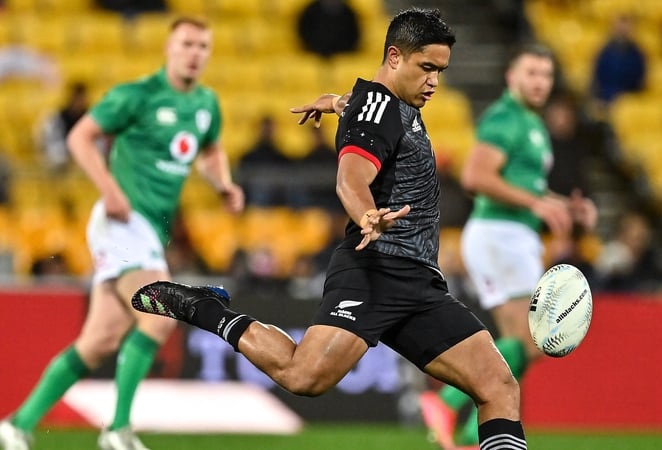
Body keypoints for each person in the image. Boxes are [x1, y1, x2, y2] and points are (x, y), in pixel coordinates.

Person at [130, 8, 530, 450]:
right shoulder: (379, 108)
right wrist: (366, 214)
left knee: (499, 387)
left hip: (420, 283)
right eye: (427, 68)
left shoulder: (385, 104)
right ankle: (206, 310)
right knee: (304, 377)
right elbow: (350, 178)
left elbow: (370, 109)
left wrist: (340, 102)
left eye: (441, 70)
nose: (435, 81)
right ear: (394, 57)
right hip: (375, 271)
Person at [0, 17, 244, 450]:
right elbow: (80, 137)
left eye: (203, 46)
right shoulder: (137, 95)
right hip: (120, 222)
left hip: (149, 231)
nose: (195, 53)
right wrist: (109, 189)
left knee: (97, 343)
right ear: (169, 48)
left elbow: (209, 150)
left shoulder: (206, 103)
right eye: (187, 44)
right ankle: (117, 430)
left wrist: (222, 183)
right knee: (157, 315)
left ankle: (17, 424)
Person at [417, 44, 597, 448]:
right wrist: (536, 203)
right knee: (533, 343)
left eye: (546, 75)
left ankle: (467, 431)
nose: (539, 82)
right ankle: (445, 402)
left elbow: (523, 185)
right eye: (530, 73)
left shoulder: (529, 123)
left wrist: (561, 205)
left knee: (523, 345)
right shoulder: (504, 118)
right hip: (500, 235)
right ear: (510, 77)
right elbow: (476, 176)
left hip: (513, 236)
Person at [590, 13, 646, 106]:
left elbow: (640, 82)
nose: (623, 29)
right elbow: (597, 79)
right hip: (606, 98)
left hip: (629, 101)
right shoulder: (604, 53)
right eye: (620, 25)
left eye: (626, 25)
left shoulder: (638, 55)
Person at [36, 82, 90, 174]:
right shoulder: (57, 118)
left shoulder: (89, 118)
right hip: (62, 162)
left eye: (82, 98)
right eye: (78, 98)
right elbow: (49, 141)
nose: (80, 102)